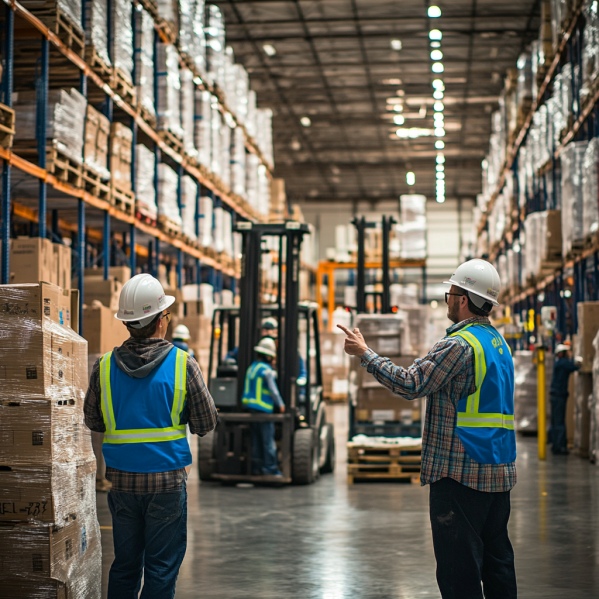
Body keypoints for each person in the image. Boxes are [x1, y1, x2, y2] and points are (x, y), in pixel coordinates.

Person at [338, 258, 517, 599]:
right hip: (499, 471)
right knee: (498, 566)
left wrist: (365, 354)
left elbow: (411, 383)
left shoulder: (459, 345)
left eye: (450, 292)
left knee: (458, 572)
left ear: (463, 299)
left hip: (461, 474)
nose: (448, 299)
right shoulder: (497, 343)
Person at [83, 273, 218, 599]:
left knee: (126, 565)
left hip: (123, 483)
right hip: (167, 483)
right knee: (160, 569)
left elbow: (93, 421)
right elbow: (206, 422)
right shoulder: (183, 364)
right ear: (161, 320)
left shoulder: (103, 367)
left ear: (128, 324)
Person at [242, 336, 285, 476]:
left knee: (256, 441)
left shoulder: (251, 368)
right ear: (268, 356)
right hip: (265, 410)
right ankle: (270, 469)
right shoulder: (266, 370)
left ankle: (257, 468)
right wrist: (281, 404)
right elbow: (273, 390)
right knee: (267, 442)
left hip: (251, 409)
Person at [549, 343, 581, 455]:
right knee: (559, 422)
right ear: (562, 353)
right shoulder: (563, 363)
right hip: (559, 396)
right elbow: (575, 367)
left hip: (555, 395)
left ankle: (555, 445)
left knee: (555, 421)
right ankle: (560, 447)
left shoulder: (558, 363)